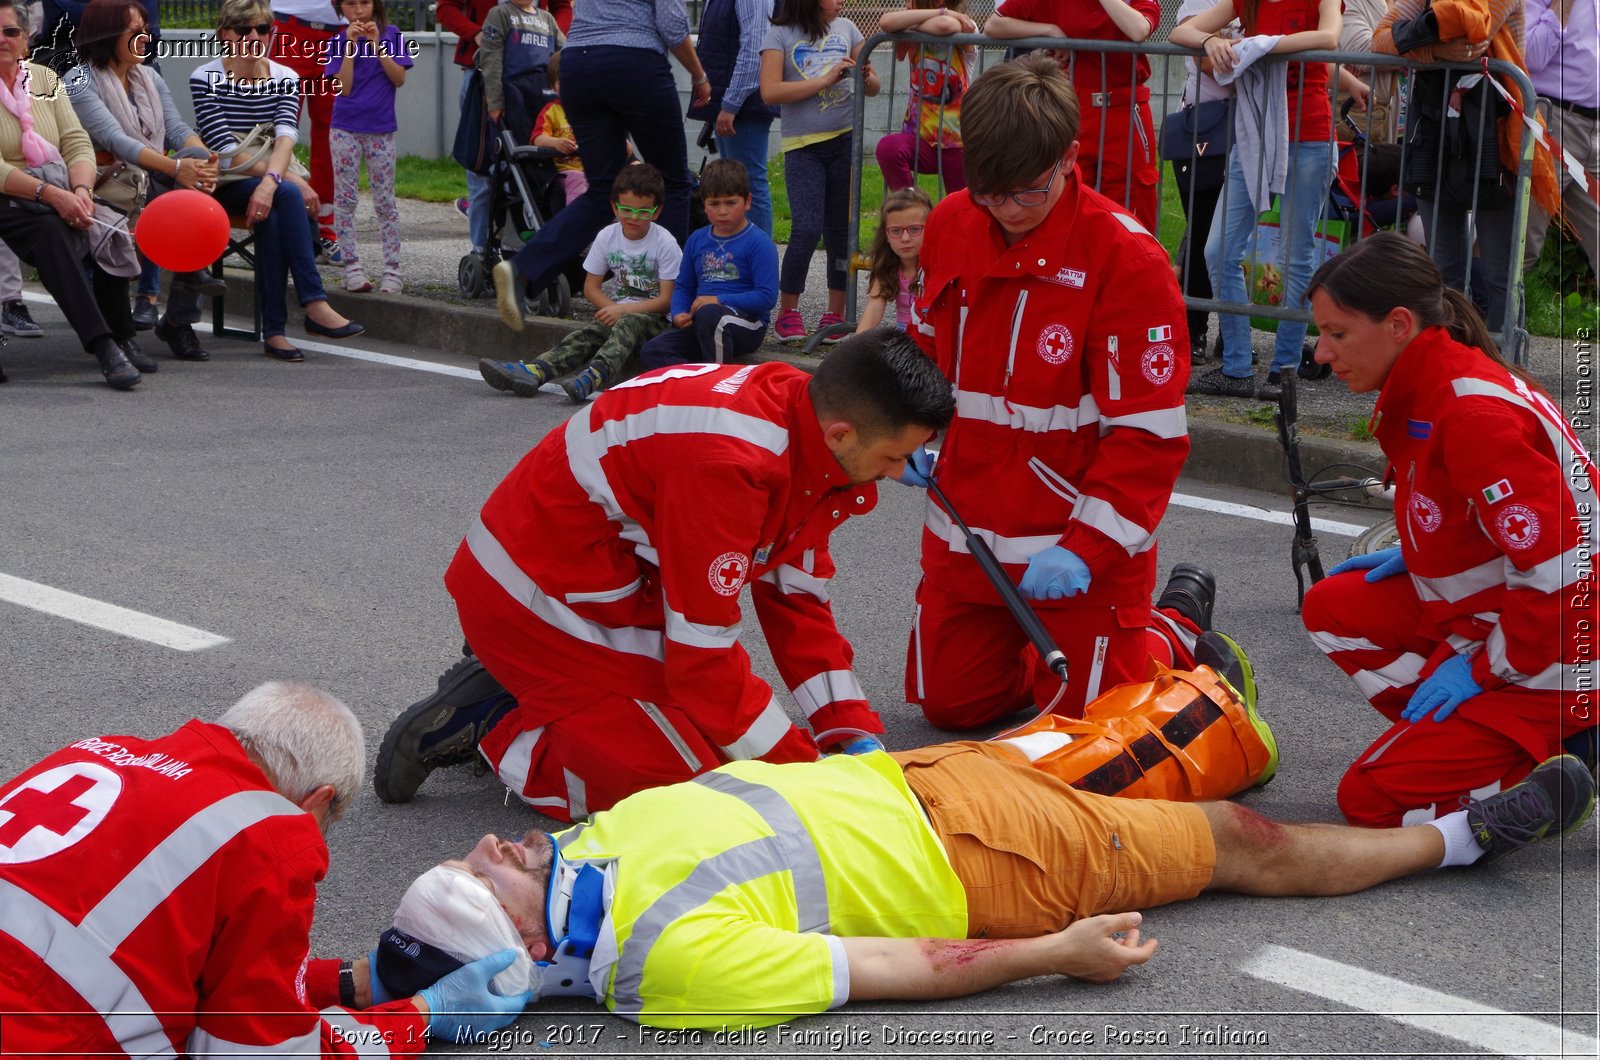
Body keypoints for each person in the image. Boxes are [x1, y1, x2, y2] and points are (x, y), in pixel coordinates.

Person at [382, 732, 1593, 1028]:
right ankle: (1467, 838)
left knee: (1118, 744)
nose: (489, 846)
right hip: (984, 863)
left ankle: (1181, 665)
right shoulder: (656, 962)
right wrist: (1047, 955)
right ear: (519, 957)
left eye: (466, 851)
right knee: (1234, 840)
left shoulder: (571, 863)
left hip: (921, 778)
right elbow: (881, 968)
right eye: (479, 883)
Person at [373, 330, 956, 820]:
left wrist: (849, 732)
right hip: (534, 598)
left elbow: (795, 598)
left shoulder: (809, 430)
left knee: (732, 756)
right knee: (693, 798)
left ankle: (533, 690)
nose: (900, 475)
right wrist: (808, 781)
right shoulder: (731, 463)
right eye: (895, 458)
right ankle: (496, 722)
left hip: (604, 584)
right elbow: (703, 661)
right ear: (842, 434)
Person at [903, 54, 1212, 729]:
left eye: (1028, 191)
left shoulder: (1126, 260)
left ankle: (1174, 631)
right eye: (991, 192)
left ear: (1070, 157)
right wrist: (902, 428)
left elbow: (1148, 438)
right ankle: (1042, 654)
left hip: (1073, 547)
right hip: (970, 537)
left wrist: (1086, 549)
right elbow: (923, 351)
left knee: (1088, 730)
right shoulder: (952, 221)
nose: (1008, 210)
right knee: (951, 707)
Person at [0, 681, 529, 1055]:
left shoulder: (97, 754)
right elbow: (255, 1051)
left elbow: (160, 943)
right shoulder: (273, 836)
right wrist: (419, 1017)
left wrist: (348, 984)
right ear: (316, 801)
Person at [1298, 233, 1599, 827]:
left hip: (1561, 648)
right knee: (1334, 606)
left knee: (1370, 800)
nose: (1322, 353)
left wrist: (1482, 669)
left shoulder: (1468, 413)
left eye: (1337, 333)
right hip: (1517, 624)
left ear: (1399, 324)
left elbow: (1565, 571)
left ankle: (1566, 750)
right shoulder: (1435, 383)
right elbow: (1486, 522)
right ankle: (1476, 738)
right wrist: (1420, 553)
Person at [489, 0, 711, 334]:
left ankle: (522, 272)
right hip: (635, 63)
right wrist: (699, 75)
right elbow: (672, 24)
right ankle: (668, 302)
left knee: (603, 192)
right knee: (673, 182)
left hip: (578, 65)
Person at [1171, 0, 1342, 401]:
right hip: (1252, 134)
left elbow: (1329, 37)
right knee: (1218, 250)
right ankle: (1236, 368)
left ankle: (1282, 372)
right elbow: (1181, 32)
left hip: (1309, 135)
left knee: (1296, 255)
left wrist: (1258, 46)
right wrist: (1211, 40)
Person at [1372, 0, 1562, 335]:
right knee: (1444, 271)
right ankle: (1452, 358)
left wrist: (1416, 43)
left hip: (1497, 140)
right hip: (1434, 138)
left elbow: (1472, 39)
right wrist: (1436, 50)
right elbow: (1380, 41)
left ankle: (1504, 369)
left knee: (1499, 276)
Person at [190, 0, 362, 362]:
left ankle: (279, 331)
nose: (255, 37)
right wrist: (282, 180)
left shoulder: (286, 76)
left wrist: (272, 181)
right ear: (226, 35)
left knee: (275, 209)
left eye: (263, 29)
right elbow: (225, 149)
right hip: (223, 180)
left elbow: (286, 136)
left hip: (269, 179)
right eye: (244, 30)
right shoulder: (205, 77)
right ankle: (311, 306)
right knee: (286, 194)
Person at [65, 0, 225, 364]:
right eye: (135, 33)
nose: (146, 38)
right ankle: (172, 318)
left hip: (147, 179)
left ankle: (179, 314)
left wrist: (204, 158)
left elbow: (177, 128)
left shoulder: (148, 76)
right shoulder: (78, 81)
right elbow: (117, 141)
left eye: (147, 31)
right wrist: (176, 167)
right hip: (104, 183)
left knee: (190, 172)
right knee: (179, 203)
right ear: (106, 35)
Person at [0, 0, 143, 390]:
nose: (3, 40)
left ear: (26, 40)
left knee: (104, 221)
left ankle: (122, 334)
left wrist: (80, 190)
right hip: (10, 190)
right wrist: (52, 195)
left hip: (52, 185)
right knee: (51, 228)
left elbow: (77, 142)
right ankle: (103, 346)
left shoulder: (45, 79)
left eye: (11, 32)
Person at [478, 163, 679, 401]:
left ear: (657, 212)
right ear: (614, 207)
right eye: (626, 210)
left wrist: (622, 310)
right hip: (620, 311)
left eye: (644, 212)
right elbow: (590, 288)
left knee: (629, 323)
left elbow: (667, 301)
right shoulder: (607, 236)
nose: (634, 217)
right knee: (589, 333)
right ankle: (536, 370)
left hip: (655, 320)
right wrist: (611, 309)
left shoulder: (664, 243)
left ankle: (595, 375)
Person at [759, 0, 880, 346]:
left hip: (845, 142)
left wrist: (866, 74)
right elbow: (770, 91)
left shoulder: (848, 29)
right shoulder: (779, 34)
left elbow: (874, 87)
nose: (841, 1)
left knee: (841, 230)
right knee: (807, 227)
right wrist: (825, 79)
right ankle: (788, 312)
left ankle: (836, 313)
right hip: (803, 147)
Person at [984, 0, 1161, 230]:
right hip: (1073, 109)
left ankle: (1131, 260)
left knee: (1131, 200)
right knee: (1067, 193)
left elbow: (1139, 30)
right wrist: (1050, 31)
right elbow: (994, 25)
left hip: (1124, 108)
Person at [436, 0, 571, 258]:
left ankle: (532, 235)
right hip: (493, 88)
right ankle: (482, 247)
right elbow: (446, 9)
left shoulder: (546, 19)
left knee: (538, 167)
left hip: (539, 90)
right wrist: (478, 35)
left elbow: (563, 19)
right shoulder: (501, 14)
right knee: (487, 171)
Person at [638, 157, 777, 367]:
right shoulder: (697, 239)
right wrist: (678, 314)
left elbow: (766, 297)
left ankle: (717, 388)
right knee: (653, 350)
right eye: (714, 204)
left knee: (711, 316)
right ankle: (695, 385)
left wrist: (718, 300)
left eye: (731, 203)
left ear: (747, 201)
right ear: (704, 205)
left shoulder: (759, 243)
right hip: (702, 320)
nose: (722, 211)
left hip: (746, 324)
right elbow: (684, 286)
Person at [324, 0, 411, 294]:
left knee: (385, 202)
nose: (359, 11)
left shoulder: (393, 34)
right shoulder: (337, 41)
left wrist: (377, 45)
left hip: (381, 130)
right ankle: (351, 267)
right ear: (340, 9)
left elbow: (398, 78)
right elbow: (344, 87)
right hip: (345, 129)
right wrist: (350, 46)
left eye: (364, 3)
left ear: (375, 5)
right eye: (350, 4)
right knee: (346, 200)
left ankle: (393, 269)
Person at [1167, 0, 1238, 363]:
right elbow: (1207, 62)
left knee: (1242, 240)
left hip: (1253, 128)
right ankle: (1194, 329)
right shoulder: (1202, 2)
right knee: (1202, 234)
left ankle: (1234, 335)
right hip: (1206, 131)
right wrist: (1264, 54)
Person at [1520, 0, 1598, 278]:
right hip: (1553, 124)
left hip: (1595, 132)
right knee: (1520, 246)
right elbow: (1530, 56)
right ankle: (1481, 319)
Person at [688, 0, 778, 236]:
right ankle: (739, 254)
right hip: (730, 101)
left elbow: (755, 47)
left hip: (744, 102)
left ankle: (759, 261)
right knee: (734, 183)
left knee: (749, 183)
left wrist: (730, 104)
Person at [874, 0, 976, 195]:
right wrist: (939, 12)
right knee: (888, 149)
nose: (905, 2)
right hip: (920, 141)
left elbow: (945, 25)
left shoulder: (965, 24)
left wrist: (909, 24)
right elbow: (886, 22)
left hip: (956, 143)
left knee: (961, 206)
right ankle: (912, 210)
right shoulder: (925, 24)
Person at [475, 0, 562, 150]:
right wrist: (495, 101)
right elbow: (491, 59)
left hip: (543, 93)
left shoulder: (547, 19)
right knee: (517, 144)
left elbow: (563, 53)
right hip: (514, 93)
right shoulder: (500, 13)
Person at [855, 185, 929, 332]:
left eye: (915, 229)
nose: (905, 238)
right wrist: (854, 351)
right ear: (886, 235)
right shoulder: (887, 265)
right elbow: (874, 308)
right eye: (896, 231)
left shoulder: (937, 265)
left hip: (933, 335)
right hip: (903, 337)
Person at [532, 51, 585, 206]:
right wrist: (556, 143)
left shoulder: (592, 109)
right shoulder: (551, 111)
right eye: (564, 82)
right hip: (567, 170)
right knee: (578, 180)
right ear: (553, 87)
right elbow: (538, 139)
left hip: (596, 167)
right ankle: (577, 222)